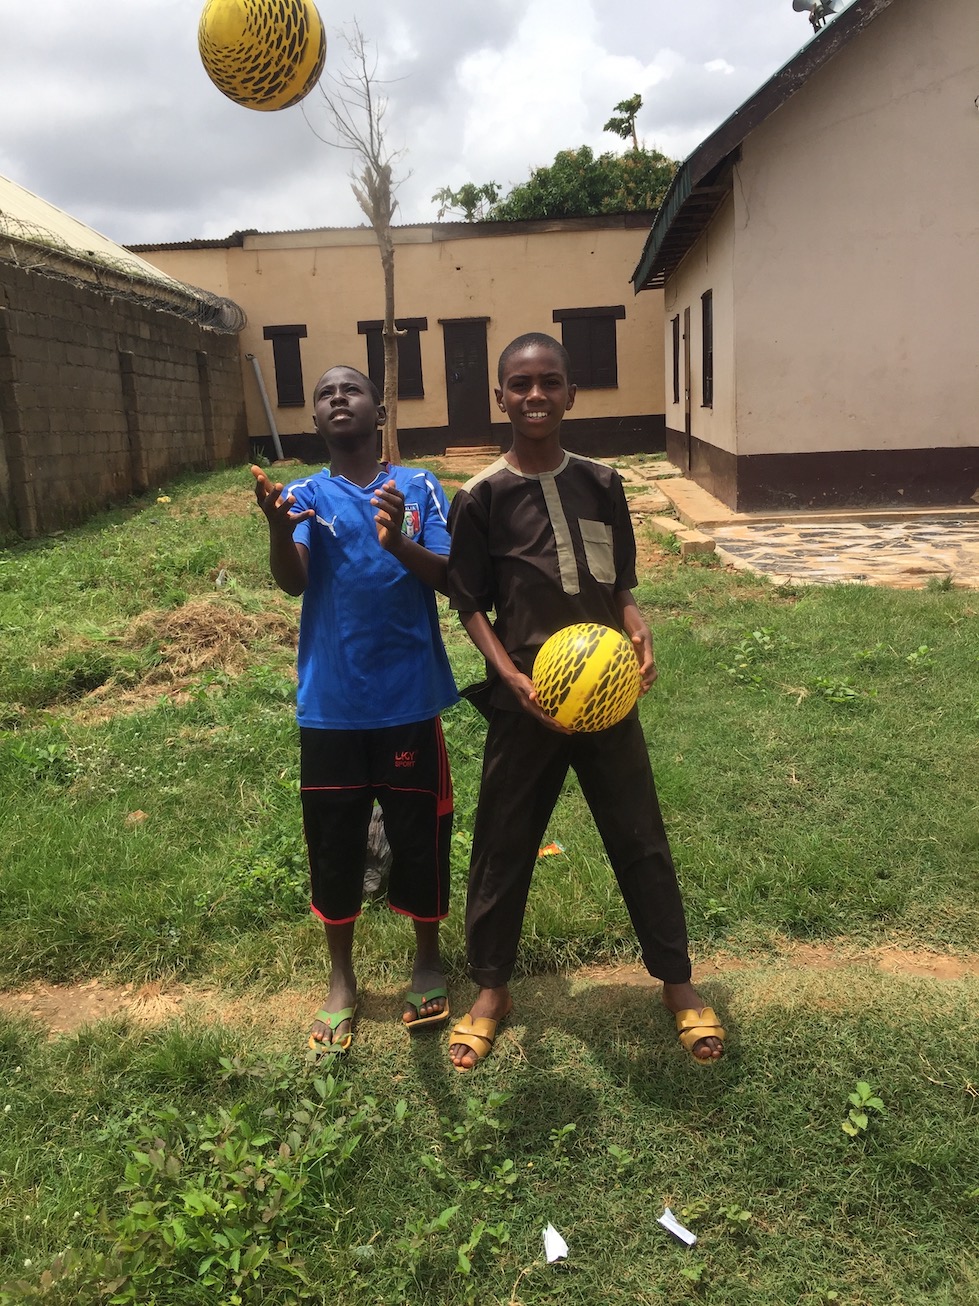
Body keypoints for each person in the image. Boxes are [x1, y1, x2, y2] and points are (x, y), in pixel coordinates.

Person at [445, 333, 725, 1070]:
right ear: (500, 397)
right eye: (520, 384)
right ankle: (491, 989)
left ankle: (676, 978)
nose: (535, 395)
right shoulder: (480, 497)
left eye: (550, 382)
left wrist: (634, 620)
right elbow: (468, 602)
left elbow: (617, 579)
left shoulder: (602, 482)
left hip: (606, 695)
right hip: (530, 699)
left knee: (639, 835)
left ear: (571, 394)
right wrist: (509, 675)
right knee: (503, 841)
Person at [251, 364, 457, 1057]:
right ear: (314, 419)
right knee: (334, 842)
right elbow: (293, 582)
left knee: (420, 834)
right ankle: (341, 978)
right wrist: (277, 529)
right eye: (324, 393)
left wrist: (397, 541)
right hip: (332, 706)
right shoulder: (305, 496)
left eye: (352, 389)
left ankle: (426, 959)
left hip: (408, 699)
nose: (338, 398)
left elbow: (449, 576)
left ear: (379, 409)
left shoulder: (418, 487)